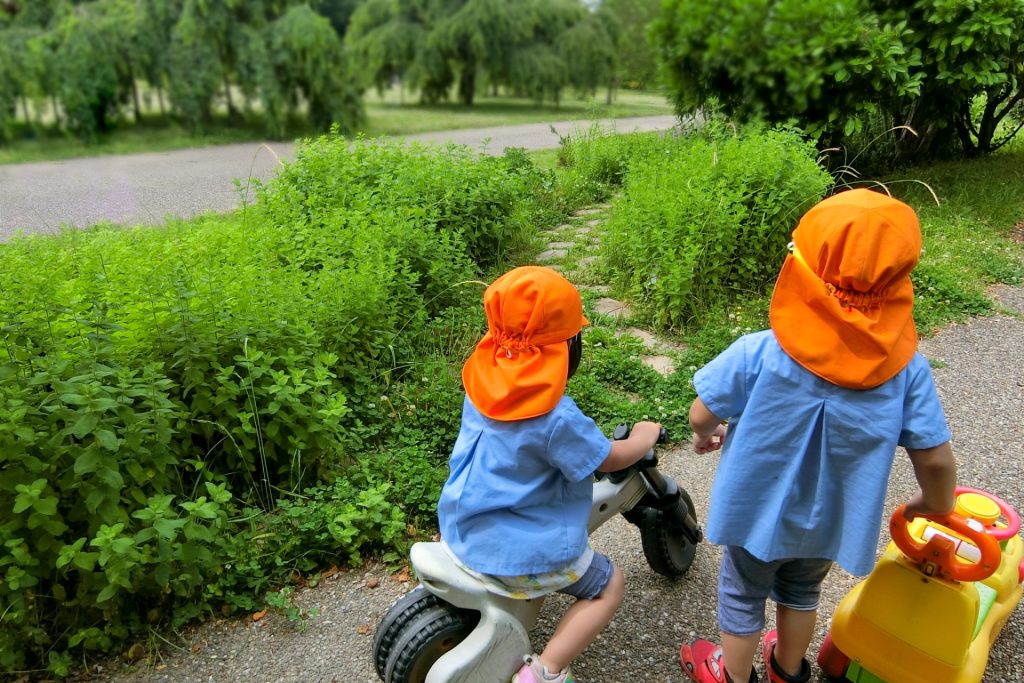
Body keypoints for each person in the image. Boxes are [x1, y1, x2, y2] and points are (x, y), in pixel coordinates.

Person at [678, 188, 958, 683]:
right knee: (801, 592)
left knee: (743, 593)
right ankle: (787, 670)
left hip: (753, 515)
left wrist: (706, 432)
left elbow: (702, 412)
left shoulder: (760, 352)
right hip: (829, 523)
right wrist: (933, 504)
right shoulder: (907, 373)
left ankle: (732, 676)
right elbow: (934, 459)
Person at [437, 265, 663, 683]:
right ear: (567, 346)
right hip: (517, 550)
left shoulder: (480, 383)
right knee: (610, 586)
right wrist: (643, 438)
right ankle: (545, 671)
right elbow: (609, 459)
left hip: (463, 525)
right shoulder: (556, 418)